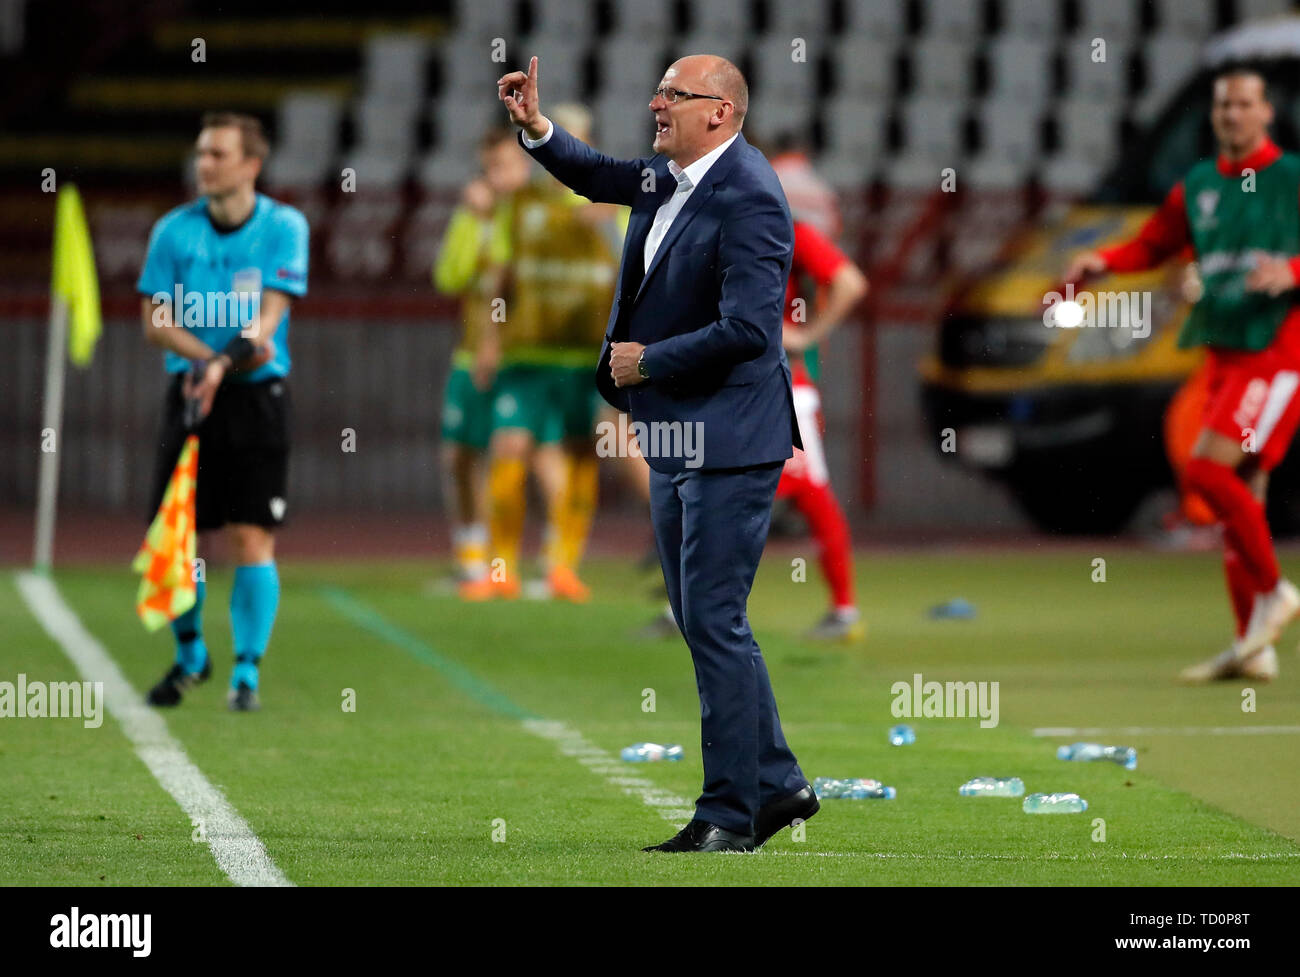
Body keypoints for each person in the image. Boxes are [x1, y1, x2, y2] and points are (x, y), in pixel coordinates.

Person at [499, 53, 817, 852]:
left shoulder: (750, 195)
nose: (656, 101)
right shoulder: (668, 178)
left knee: (713, 618)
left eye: (675, 94)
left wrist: (651, 358)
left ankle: (727, 814)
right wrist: (538, 129)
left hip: (731, 435)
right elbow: (596, 174)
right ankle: (778, 784)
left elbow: (752, 329)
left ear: (721, 112)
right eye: (660, 89)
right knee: (704, 619)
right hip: (676, 429)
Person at [1063, 66, 1300, 683]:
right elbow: (1153, 245)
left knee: (1207, 470)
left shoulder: (1291, 179)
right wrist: (1103, 263)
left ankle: (1276, 593)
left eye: (1245, 104)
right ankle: (1254, 647)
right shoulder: (1198, 185)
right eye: (1224, 106)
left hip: (1277, 354)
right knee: (1239, 499)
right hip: (1224, 352)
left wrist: (1293, 272)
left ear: (1266, 113)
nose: (1232, 115)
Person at [137, 111, 309, 711]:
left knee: (249, 535)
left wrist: (221, 364)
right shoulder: (173, 231)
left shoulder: (284, 226)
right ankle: (191, 656)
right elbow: (156, 321)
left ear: (250, 165)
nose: (202, 164)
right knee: (178, 536)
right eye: (201, 152)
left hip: (257, 399)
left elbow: (266, 327)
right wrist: (206, 360)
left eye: (216, 154)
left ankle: (247, 674)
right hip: (189, 395)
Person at [433, 127, 530, 589]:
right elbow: (449, 277)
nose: (497, 176)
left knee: (511, 454)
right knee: (458, 455)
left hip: (520, 358)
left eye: (505, 166)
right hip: (469, 353)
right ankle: (471, 555)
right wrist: (477, 224)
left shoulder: (533, 218)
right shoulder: (473, 215)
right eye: (490, 168)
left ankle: (508, 561)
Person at [776, 218, 869, 640]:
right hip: (728, 392)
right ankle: (688, 608)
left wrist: (807, 335)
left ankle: (844, 609)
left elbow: (850, 282)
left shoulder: (782, 226)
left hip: (780, 391)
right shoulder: (709, 222)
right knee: (710, 494)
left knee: (805, 492)